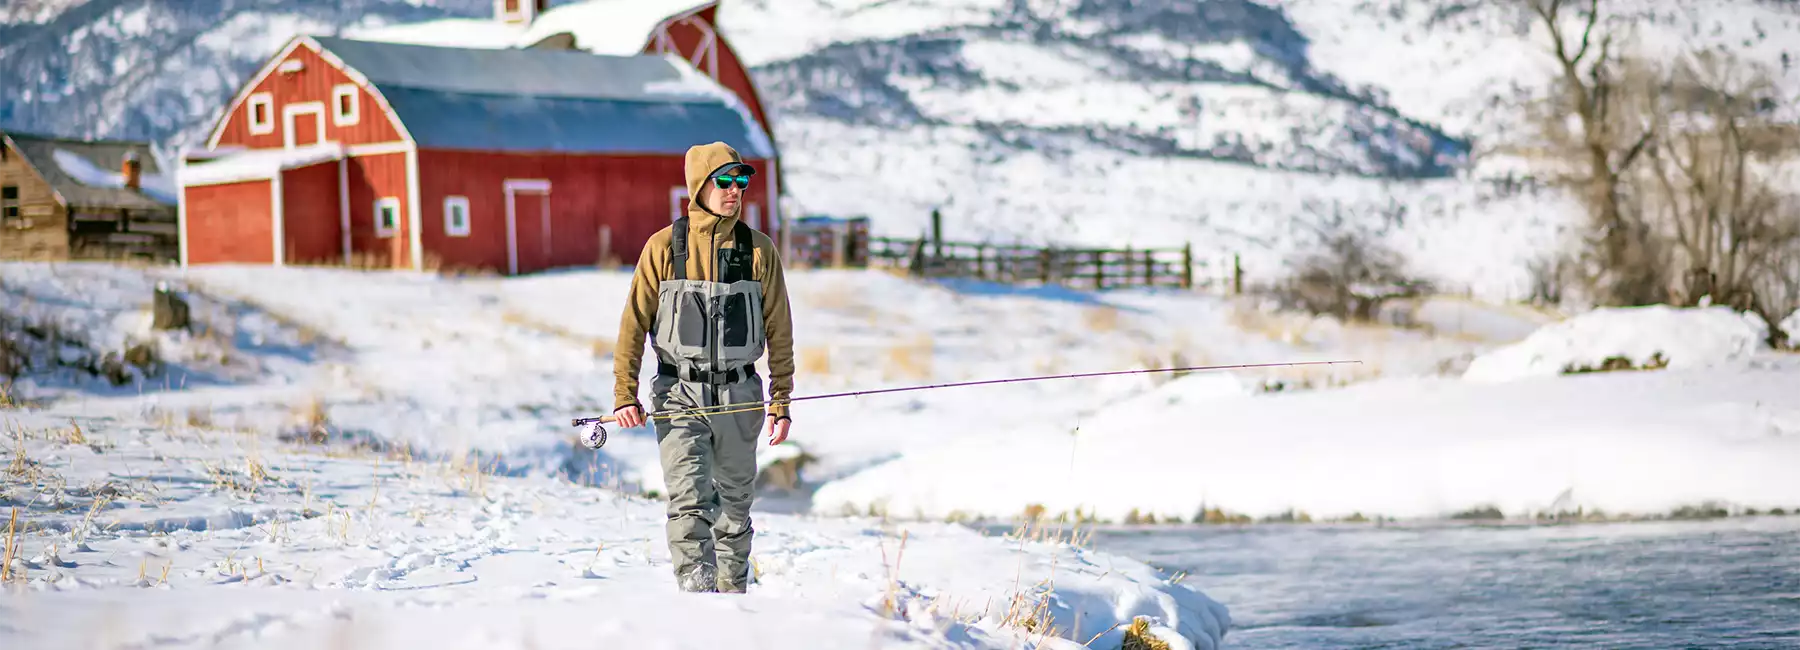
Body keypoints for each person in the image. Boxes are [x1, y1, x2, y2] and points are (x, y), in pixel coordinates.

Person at [611, 141, 795, 594]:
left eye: (742, 181)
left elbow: (780, 329)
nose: (735, 190)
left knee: (735, 509)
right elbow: (633, 325)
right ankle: (698, 611)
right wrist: (624, 394)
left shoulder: (759, 251)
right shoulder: (663, 248)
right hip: (678, 395)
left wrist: (781, 400)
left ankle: (734, 604)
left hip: (740, 396)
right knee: (691, 503)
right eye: (725, 181)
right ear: (700, 186)